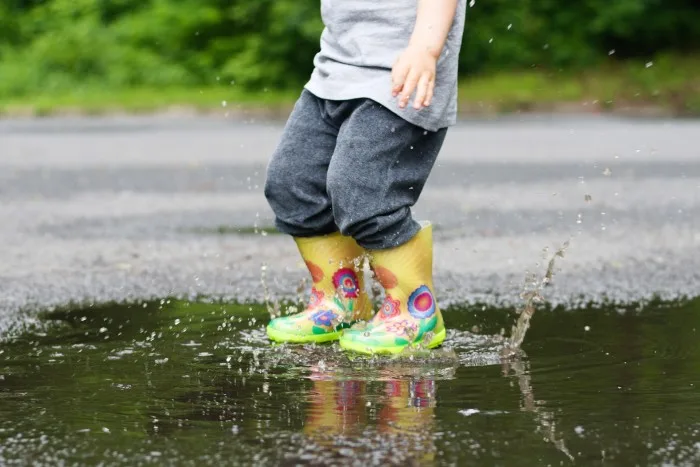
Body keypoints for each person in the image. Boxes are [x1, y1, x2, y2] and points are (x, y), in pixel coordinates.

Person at [264, 0, 467, 354]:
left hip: (403, 79)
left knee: (363, 191)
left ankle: (413, 312)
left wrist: (424, 48)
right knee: (292, 182)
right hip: (332, 74)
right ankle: (341, 302)